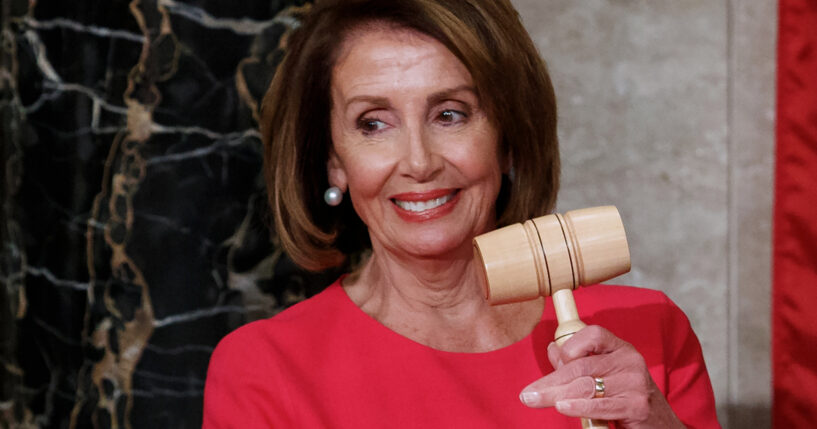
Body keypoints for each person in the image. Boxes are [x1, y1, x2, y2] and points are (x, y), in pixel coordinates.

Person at [203, 0, 720, 427]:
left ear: (508, 140)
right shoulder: (264, 370)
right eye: (373, 124)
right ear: (333, 162)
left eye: (450, 114)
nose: (420, 162)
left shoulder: (647, 331)